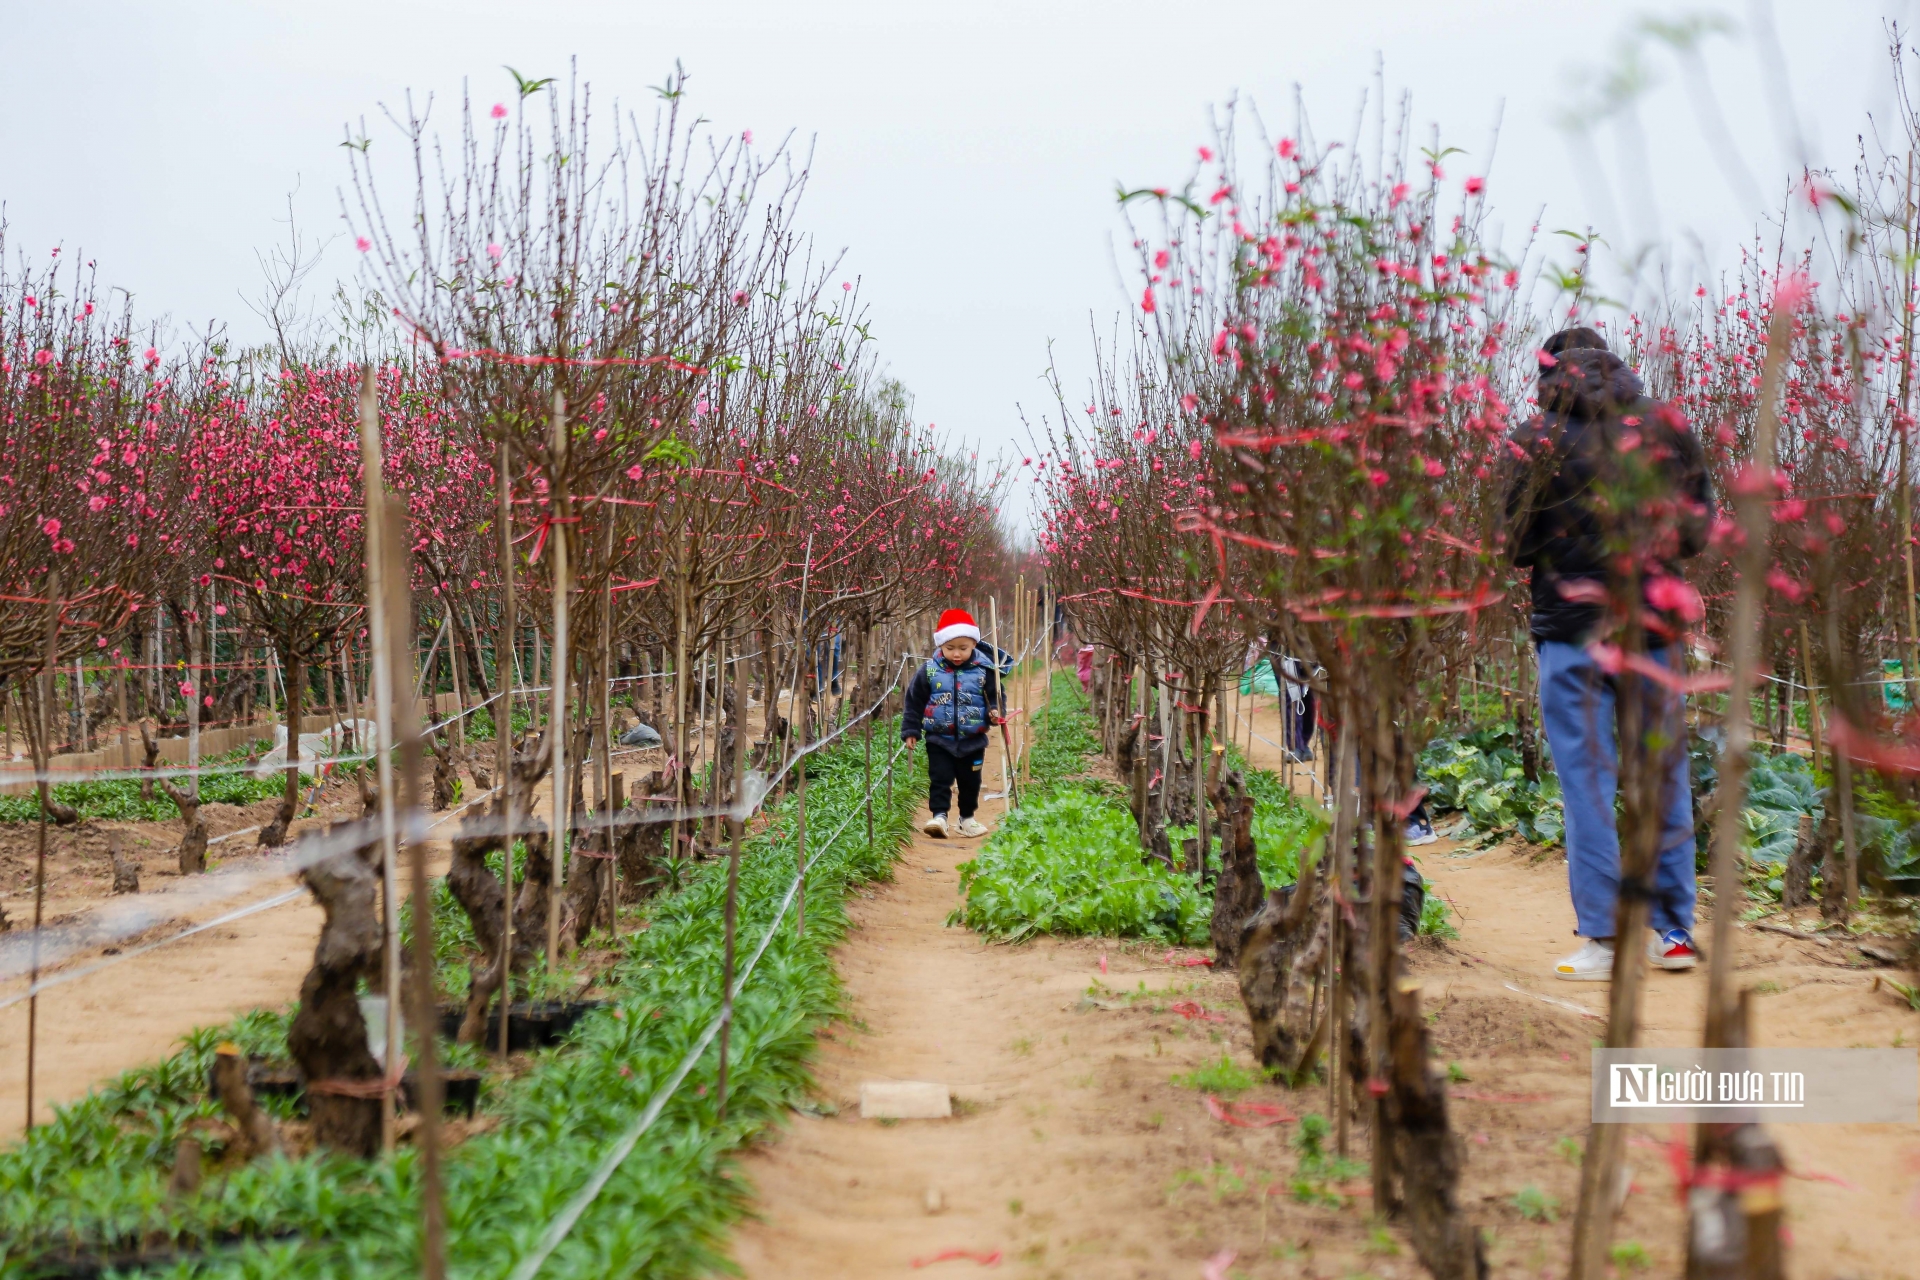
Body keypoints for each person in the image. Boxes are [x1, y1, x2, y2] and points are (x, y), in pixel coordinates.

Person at [1505, 327, 1713, 981]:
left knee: (1587, 787)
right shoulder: (1665, 428)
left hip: (1570, 636)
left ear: (1547, 371)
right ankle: (1673, 935)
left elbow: (1514, 543)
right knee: (1665, 779)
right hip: (1650, 635)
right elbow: (1696, 530)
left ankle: (1601, 941)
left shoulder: (1533, 439)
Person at [902, 608, 1005, 838]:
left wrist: (995, 712)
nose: (956, 654)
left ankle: (966, 819)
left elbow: (996, 696)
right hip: (939, 739)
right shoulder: (929, 671)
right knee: (940, 778)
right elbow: (914, 701)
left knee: (971, 782)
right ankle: (939, 817)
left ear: (973, 645)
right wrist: (911, 729)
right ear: (941, 646)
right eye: (950, 648)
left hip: (973, 740)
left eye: (963, 648)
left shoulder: (985, 670)